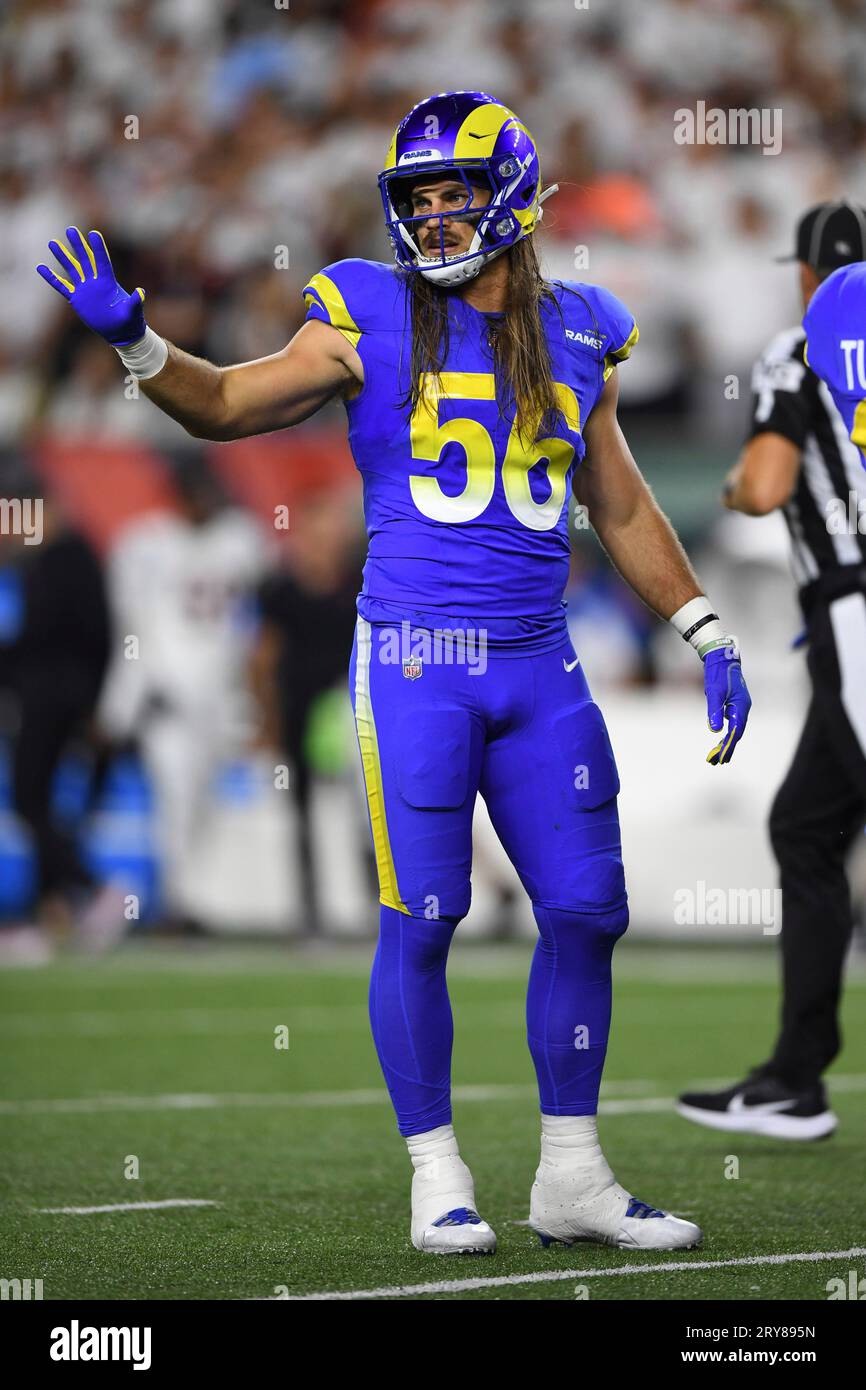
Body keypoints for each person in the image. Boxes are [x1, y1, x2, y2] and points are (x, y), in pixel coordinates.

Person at [36, 90, 750, 1255]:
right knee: (423, 917)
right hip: (416, 659)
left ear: (509, 193)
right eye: (413, 199)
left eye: (449, 193)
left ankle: (570, 1176)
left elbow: (614, 501)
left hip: (539, 665)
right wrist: (136, 341)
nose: (427, 217)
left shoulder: (579, 327)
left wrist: (707, 628)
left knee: (586, 910)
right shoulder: (365, 312)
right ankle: (436, 1173)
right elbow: (220, 405)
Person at [679, 203, 866, 1140]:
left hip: (853, 608)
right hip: (841, 623)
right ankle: (795, 1075)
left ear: (807, 276)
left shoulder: (799, 350)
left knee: (805, 832)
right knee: (806, 828)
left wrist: (724, 487)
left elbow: (762, 485)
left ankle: (797, 1075)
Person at [97, 451, 268, 928]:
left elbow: (260, 608)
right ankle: (173, 903)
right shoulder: (145, 545)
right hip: (168, 700)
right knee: (175, 798)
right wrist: (119, 707)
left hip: (219, 700)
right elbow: (130, 631)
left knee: (204, 804)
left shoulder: (240, 539)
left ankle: (188, 898)